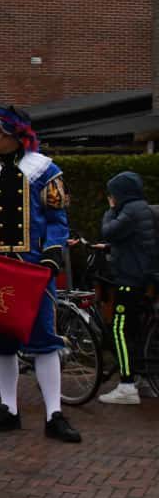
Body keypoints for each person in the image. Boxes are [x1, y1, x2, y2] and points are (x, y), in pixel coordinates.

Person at [0, 106, 80, 443]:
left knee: (44, 340)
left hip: (34, 268)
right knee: (2, 342)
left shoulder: (43, 170)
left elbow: (57, 219)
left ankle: (54, 413)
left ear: (16, 134)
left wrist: (53, 251)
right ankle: (8, 409)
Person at [97, 171, 156, 405]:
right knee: (137, 330)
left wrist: (110, 210)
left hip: (130, 279)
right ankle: (142, 379)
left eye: (112, 193)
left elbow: (109, 230)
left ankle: (126, 385)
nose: (111, 197)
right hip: (144, 277)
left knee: (119, 330)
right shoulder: (144, 209)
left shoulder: (129, 211)